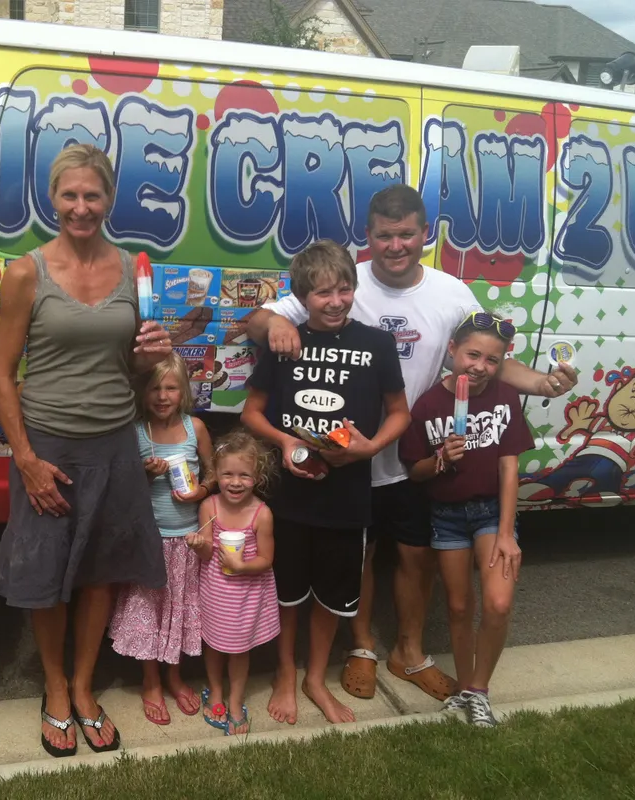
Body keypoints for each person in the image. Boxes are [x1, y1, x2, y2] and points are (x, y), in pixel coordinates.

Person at [246, 184, 577, 721]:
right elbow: (260, 319)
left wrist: (540, 384)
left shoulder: (451, 293)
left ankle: (409, 651)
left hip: (411, 456)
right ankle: (362, 647)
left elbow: (483, 358)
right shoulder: (342, 281)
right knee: (361, 557)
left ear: (426, 235)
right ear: (368, 237)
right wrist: (277, 323)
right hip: (341, 467)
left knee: (414, 555)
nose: (395, 245)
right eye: (384, 235)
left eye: (406, 235)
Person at [0, 143, 172, 757]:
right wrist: (26, 458)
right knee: (46, 575)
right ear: (53, 198)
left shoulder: (131, 270)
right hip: (47, 447)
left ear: (110, 199)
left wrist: (147, 360)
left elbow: (131, 369)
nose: (81, 206)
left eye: (93, 194)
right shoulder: (26, 273)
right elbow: (3, 374)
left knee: (99, 573)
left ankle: (87, 686)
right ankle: (57, 688)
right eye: (70, 194)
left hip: (114, 442)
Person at [241, 240, 409, 724]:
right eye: (321, 294)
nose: (335, 301)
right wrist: (285, 444)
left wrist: (371, 448)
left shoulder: (377, 344)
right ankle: (285, 674)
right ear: (302, 297)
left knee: (332, 597)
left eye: (344, 289)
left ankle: (316, 679)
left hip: (347, 497)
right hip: (289, 497)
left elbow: (399, 413)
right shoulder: (284, 339)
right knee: (287, 593)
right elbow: (251, 412)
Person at [399, 311, 532, 727]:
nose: (480, 367)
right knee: (458, 607)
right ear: (453, 350)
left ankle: (479, 690)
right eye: (473, 355)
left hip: (492, 513)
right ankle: (465, 690)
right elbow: (413, 470)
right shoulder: (429, 404)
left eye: (492, 360)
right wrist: (439, 460)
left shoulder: (504, 396)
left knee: (497, 602)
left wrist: (508, 532)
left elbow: (510, 467)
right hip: (448, 516)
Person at [109, 352, 213, 725]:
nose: (163, 395)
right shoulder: (136, 431)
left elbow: (213, 475)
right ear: (142, 392)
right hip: (148, 542)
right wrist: (146, 476)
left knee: (178, 613)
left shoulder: (194, 428)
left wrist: (201, 492)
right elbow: (120, 489)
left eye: (171, 387)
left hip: (186, 541)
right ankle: (150, 680)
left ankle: (174, 674)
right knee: (148, 615)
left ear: (184, 390)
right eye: (155, 388)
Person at [187, 430, 279, 736]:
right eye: (227, 474)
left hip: (247, 595)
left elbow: (267, 559)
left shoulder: (262, 514)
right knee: (213, 645)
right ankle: (214, 690)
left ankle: (236, 700)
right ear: (216, 474)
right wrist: (198, 543)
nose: (235, 482)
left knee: (239, 650)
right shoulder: (209, 507)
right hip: (215, 591)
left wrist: (241, 566)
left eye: (244, 475)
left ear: (258, 476)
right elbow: (207, 553)